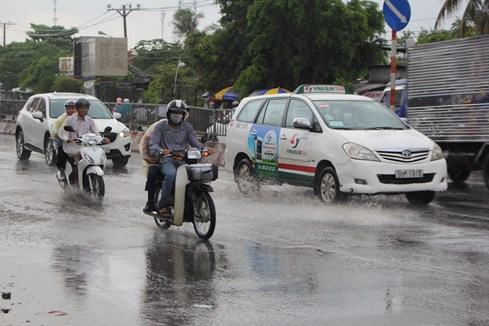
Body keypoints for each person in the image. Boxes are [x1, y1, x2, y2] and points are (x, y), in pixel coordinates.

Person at [149, 99, 202, 216]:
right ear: (168, 113)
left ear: (183, 115)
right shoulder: (160, 127)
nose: (177, 115)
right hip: (166, 160)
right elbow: (153, 145)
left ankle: (193, 202)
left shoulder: (187, 127)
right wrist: (162, 151)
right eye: (174, 112)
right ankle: (162, 205)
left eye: (180, 113)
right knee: (171, 174)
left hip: (182, 160)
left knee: (197, 175)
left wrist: (204, 149)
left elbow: (196, 143)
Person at [59, 98, 107, 163]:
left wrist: (102, 139)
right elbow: (63, 133)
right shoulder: (70, 120)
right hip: (72, 147)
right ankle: (77, 171)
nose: (84, 110)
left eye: (86, 108)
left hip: (86, 146)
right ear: (77, 109)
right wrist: (68, 139)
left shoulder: (89, 120)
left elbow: (96, 132)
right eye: (82, 108)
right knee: (79, 156)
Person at [139, 118, 166, 213]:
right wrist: (146, 156)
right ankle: (150, 202)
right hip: (159, 160)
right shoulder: (159, 126)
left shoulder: (184, 128)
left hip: (177, 161)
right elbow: (146, 140)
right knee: (152, 173)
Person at [51, 99, 77, 181]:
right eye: (69, 108)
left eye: (73, 108)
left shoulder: (81, 118)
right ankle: (62, 170)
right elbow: (54, 127)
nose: (71, 110)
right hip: (62, 138)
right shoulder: (62, 118)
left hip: (77, 139)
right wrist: (56, 134)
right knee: (61, 148)